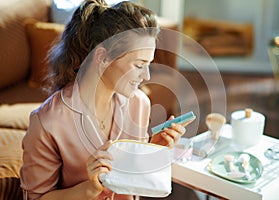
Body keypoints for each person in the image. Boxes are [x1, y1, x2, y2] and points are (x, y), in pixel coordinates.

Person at [20, 0, 194, 199]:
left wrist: (152, 148)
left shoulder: (139, 103)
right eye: (139, 65)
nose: (146, 76)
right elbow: (36, 197)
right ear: (102, 57)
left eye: (148, 64)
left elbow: (131, 179)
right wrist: (90, 188)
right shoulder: (48, 123)